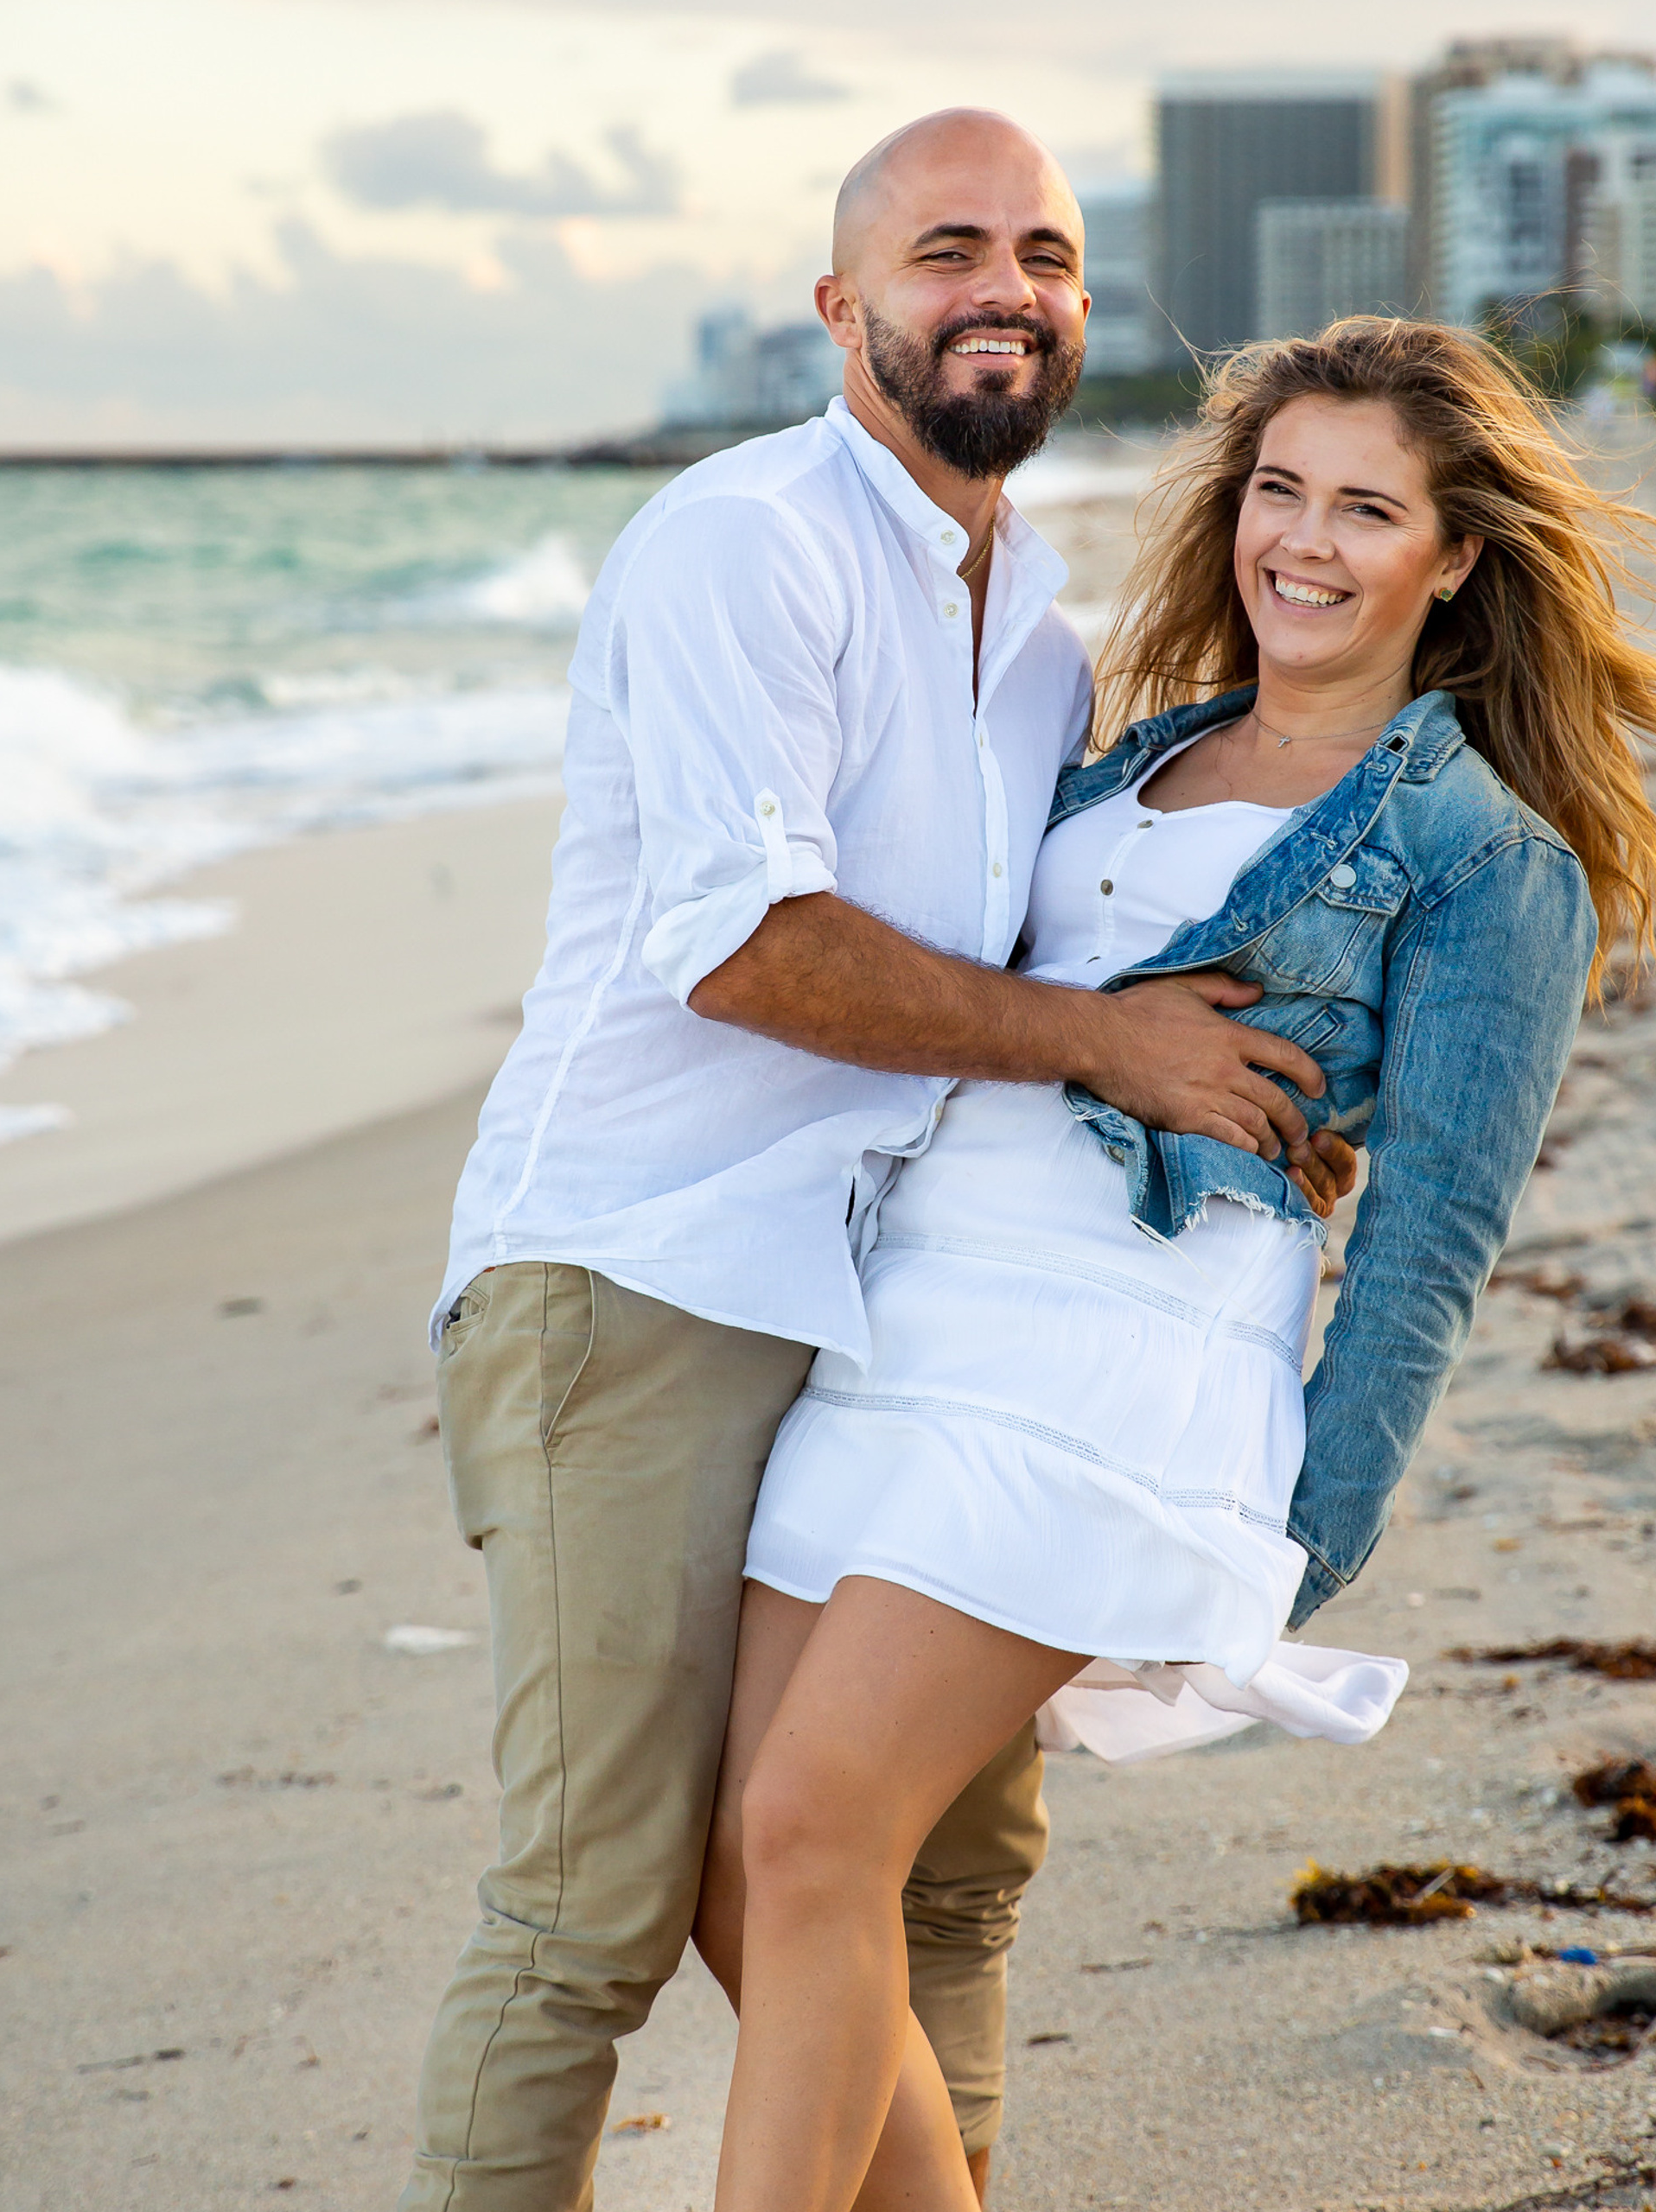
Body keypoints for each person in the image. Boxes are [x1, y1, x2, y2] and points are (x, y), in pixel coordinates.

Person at [691, 315, 1656, 2212]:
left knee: (809, 1823)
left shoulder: (1483, 857)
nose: (1304, 541)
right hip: (908, 1326)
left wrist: (1303, 1525)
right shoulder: (1130, 756)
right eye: (1279, 490)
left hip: (1119, 1360)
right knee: (736, 1866)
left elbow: (1433, 1229)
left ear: (1457, 556)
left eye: (1366, 508)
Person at [399, 111, 1351, 2212]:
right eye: (947, 251)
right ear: (841, 309)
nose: (1004, 288)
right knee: (590, 1907)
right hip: (638, 1280)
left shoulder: (1037, 637)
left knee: (942, 1876)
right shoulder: (749, 543)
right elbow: (750, 947)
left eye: (1045, 254)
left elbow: (1068, 950)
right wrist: (1110, 1044)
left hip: (899, 1301)